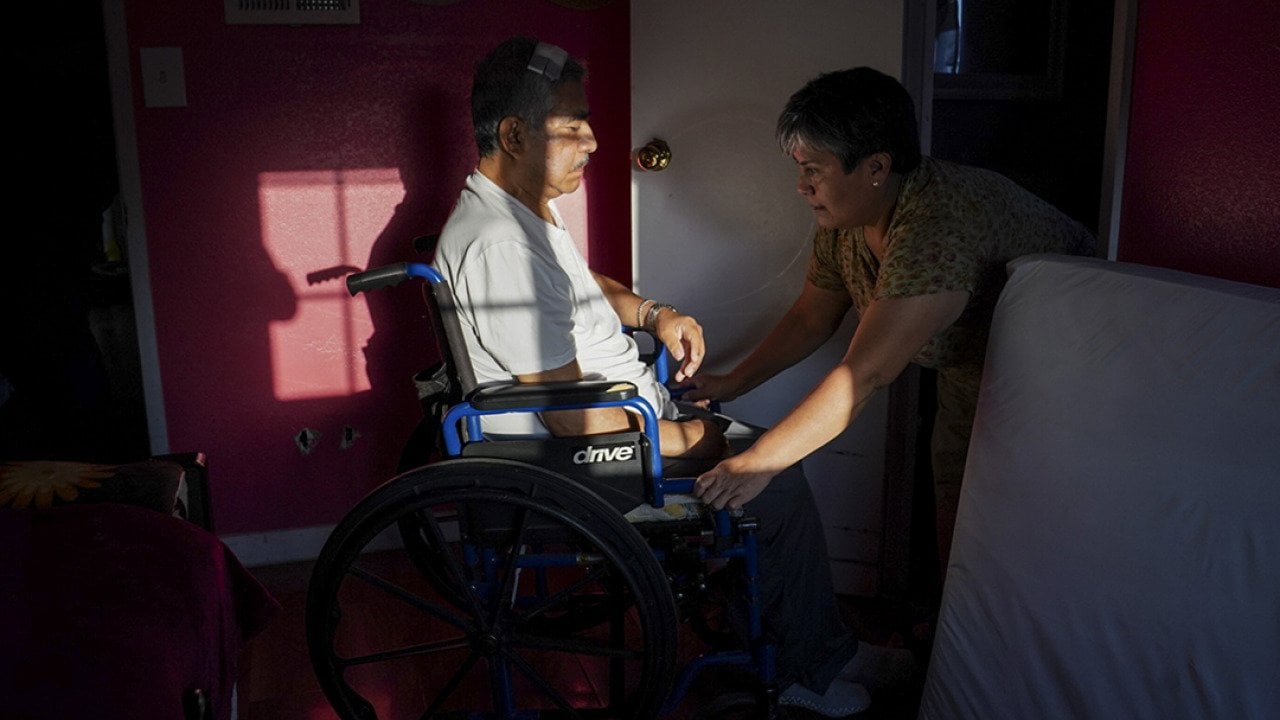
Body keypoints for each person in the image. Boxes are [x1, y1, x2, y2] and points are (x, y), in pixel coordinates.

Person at [433, 37, 912, 717]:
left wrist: (652, 313)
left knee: (761, 454)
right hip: (586, 455)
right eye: (573, 124)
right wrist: (683, 435)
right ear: (515, 134)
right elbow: (574, 420)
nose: (595, 139)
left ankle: (814, 641)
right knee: (775, 475)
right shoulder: (499, 245)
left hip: (623, 418)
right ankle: (813, 665)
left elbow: (578, 282)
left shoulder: (517, 214)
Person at [686, 67, 1096, 583]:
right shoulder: (847, 221)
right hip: (975, 363)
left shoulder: (936, 225)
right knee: (957, 483)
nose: (801, 186)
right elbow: (812, 317)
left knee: (1021, 507)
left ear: (876, 166)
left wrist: (760, 463)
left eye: (814, 169)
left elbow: (866, 374)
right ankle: (954, 627)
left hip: (1067, 361)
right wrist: (730, 382)